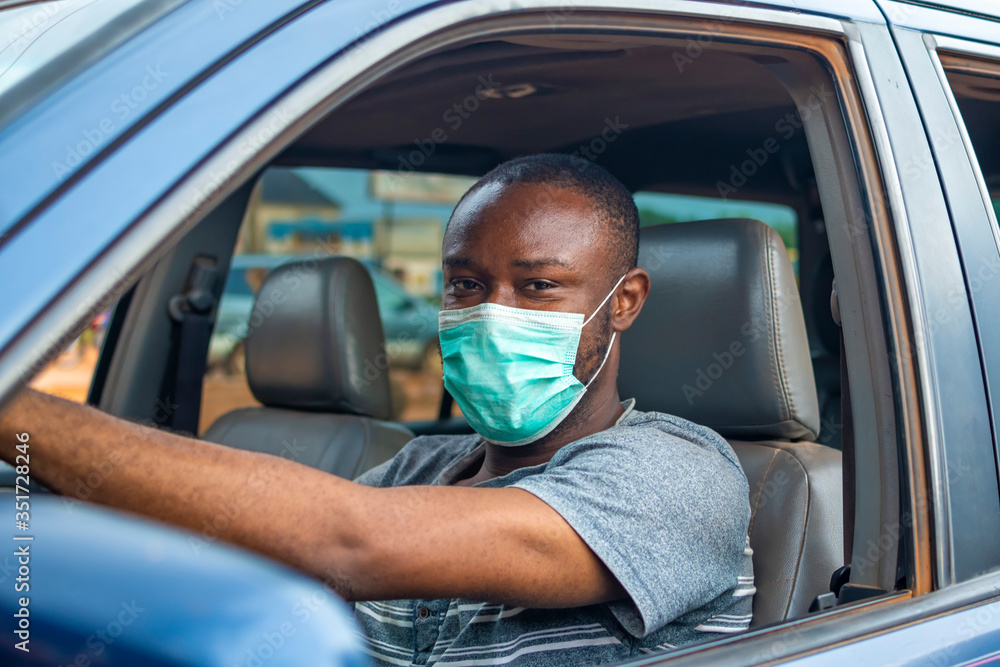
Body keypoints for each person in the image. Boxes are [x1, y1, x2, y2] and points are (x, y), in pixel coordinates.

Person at [0, 154, 753, 665]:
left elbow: (349, 543)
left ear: (623, 304)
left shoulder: (683, 475)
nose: (491, 314)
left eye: (537, 287)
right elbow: (267, 563)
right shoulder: (422, 465)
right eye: (464, 284)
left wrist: (18, 411)